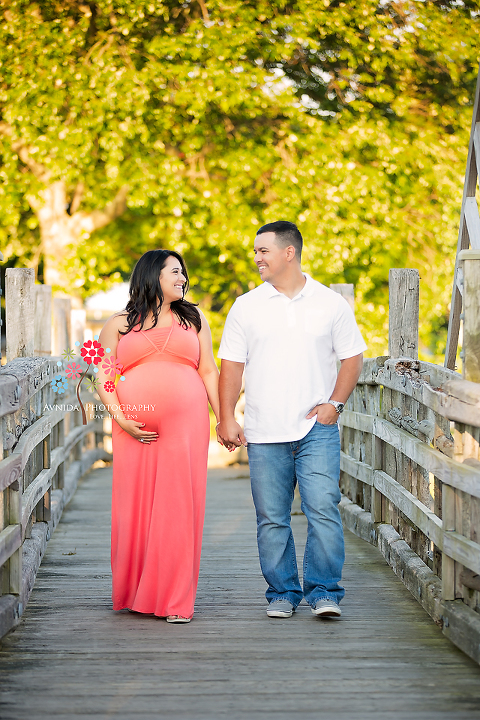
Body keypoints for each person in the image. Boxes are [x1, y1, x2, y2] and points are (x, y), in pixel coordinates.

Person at [217, 221, 366, 619]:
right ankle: (282, 593)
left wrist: (335, 403)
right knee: (272, 519)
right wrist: (226, 417)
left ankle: (323, 592)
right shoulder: (246, 306)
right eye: (255, 251)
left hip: (316, 428)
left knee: (323, 508)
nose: (256, 259)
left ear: (289, 252)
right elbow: (230, 367)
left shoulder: (330, 303)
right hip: (265, 430)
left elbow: (353, 357)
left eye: (263, 251)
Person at [96, 249, 221, 623]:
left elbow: (209, 371)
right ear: (152, 275)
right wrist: (122, 419)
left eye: (183, 274)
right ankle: (136, 593)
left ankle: (175, 600)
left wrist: (223, 419)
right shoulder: (118, 323)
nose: (183, 279)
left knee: (179, 505)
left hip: (188, 422)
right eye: (175, 272)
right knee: (134, 506)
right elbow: (104, 375)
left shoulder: (194, 319)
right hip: (133, 425)